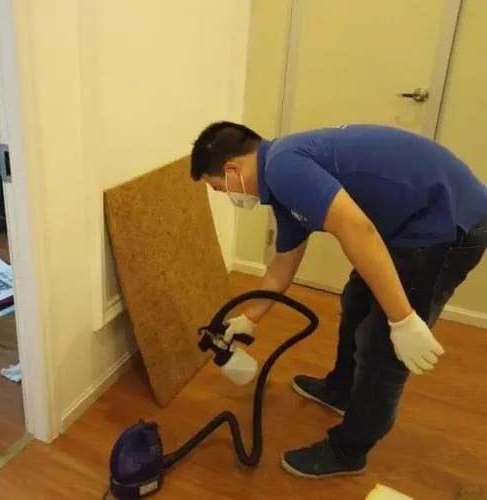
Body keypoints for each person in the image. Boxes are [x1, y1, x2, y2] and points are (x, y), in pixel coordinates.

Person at [190, 122, 487, 478]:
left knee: (382, 346)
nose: (227, 195)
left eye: (218, 187)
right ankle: (341, 389)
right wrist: (249, 318)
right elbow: (283, 264)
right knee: (357, 302)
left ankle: (349, 451)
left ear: (231, 170)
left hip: (447, 221)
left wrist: (403, 320)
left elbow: (356, 229)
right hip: (410, 222)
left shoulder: (284, 168)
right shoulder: (280, 176)